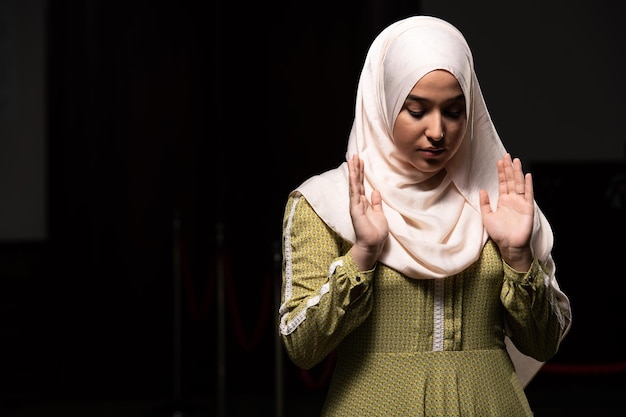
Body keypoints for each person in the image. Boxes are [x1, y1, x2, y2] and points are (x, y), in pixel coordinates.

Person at [277, 15, 572, 416]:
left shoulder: (502, 202)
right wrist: (362, 254)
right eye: (416, 111)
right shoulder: (327, 203)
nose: (438, 131)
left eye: (453, 111)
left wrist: (518, 257)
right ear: (382, 103)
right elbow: (303, 349)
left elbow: (543, 343)